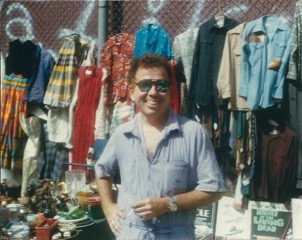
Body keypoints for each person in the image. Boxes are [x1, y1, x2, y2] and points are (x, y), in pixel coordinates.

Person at [94, 53, 225, 239]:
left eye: (161, 85)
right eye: (145, 85)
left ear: (170, 92)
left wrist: (168, 204)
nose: (153, 92)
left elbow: (213, 190)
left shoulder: (193, 133)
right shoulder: (121, 134)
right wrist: (108, 207)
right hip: (131, 233)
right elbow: (102, 170)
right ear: (132, 91)